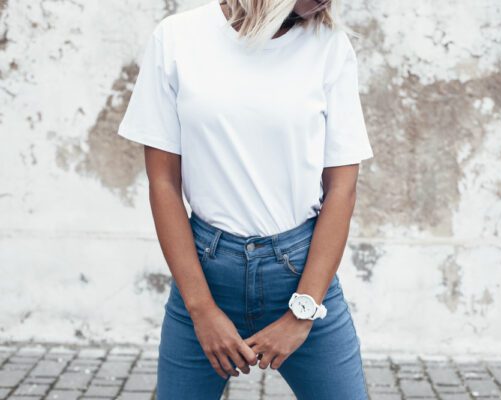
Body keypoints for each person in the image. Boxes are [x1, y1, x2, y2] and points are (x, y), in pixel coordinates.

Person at [117, 0, 374, 398]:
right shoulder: (177, 39)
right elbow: (163, 182)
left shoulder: (329, 47)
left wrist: (301, 314)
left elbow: (342, 189)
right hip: (205, 275)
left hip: (301, 275)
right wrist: (200, 310)